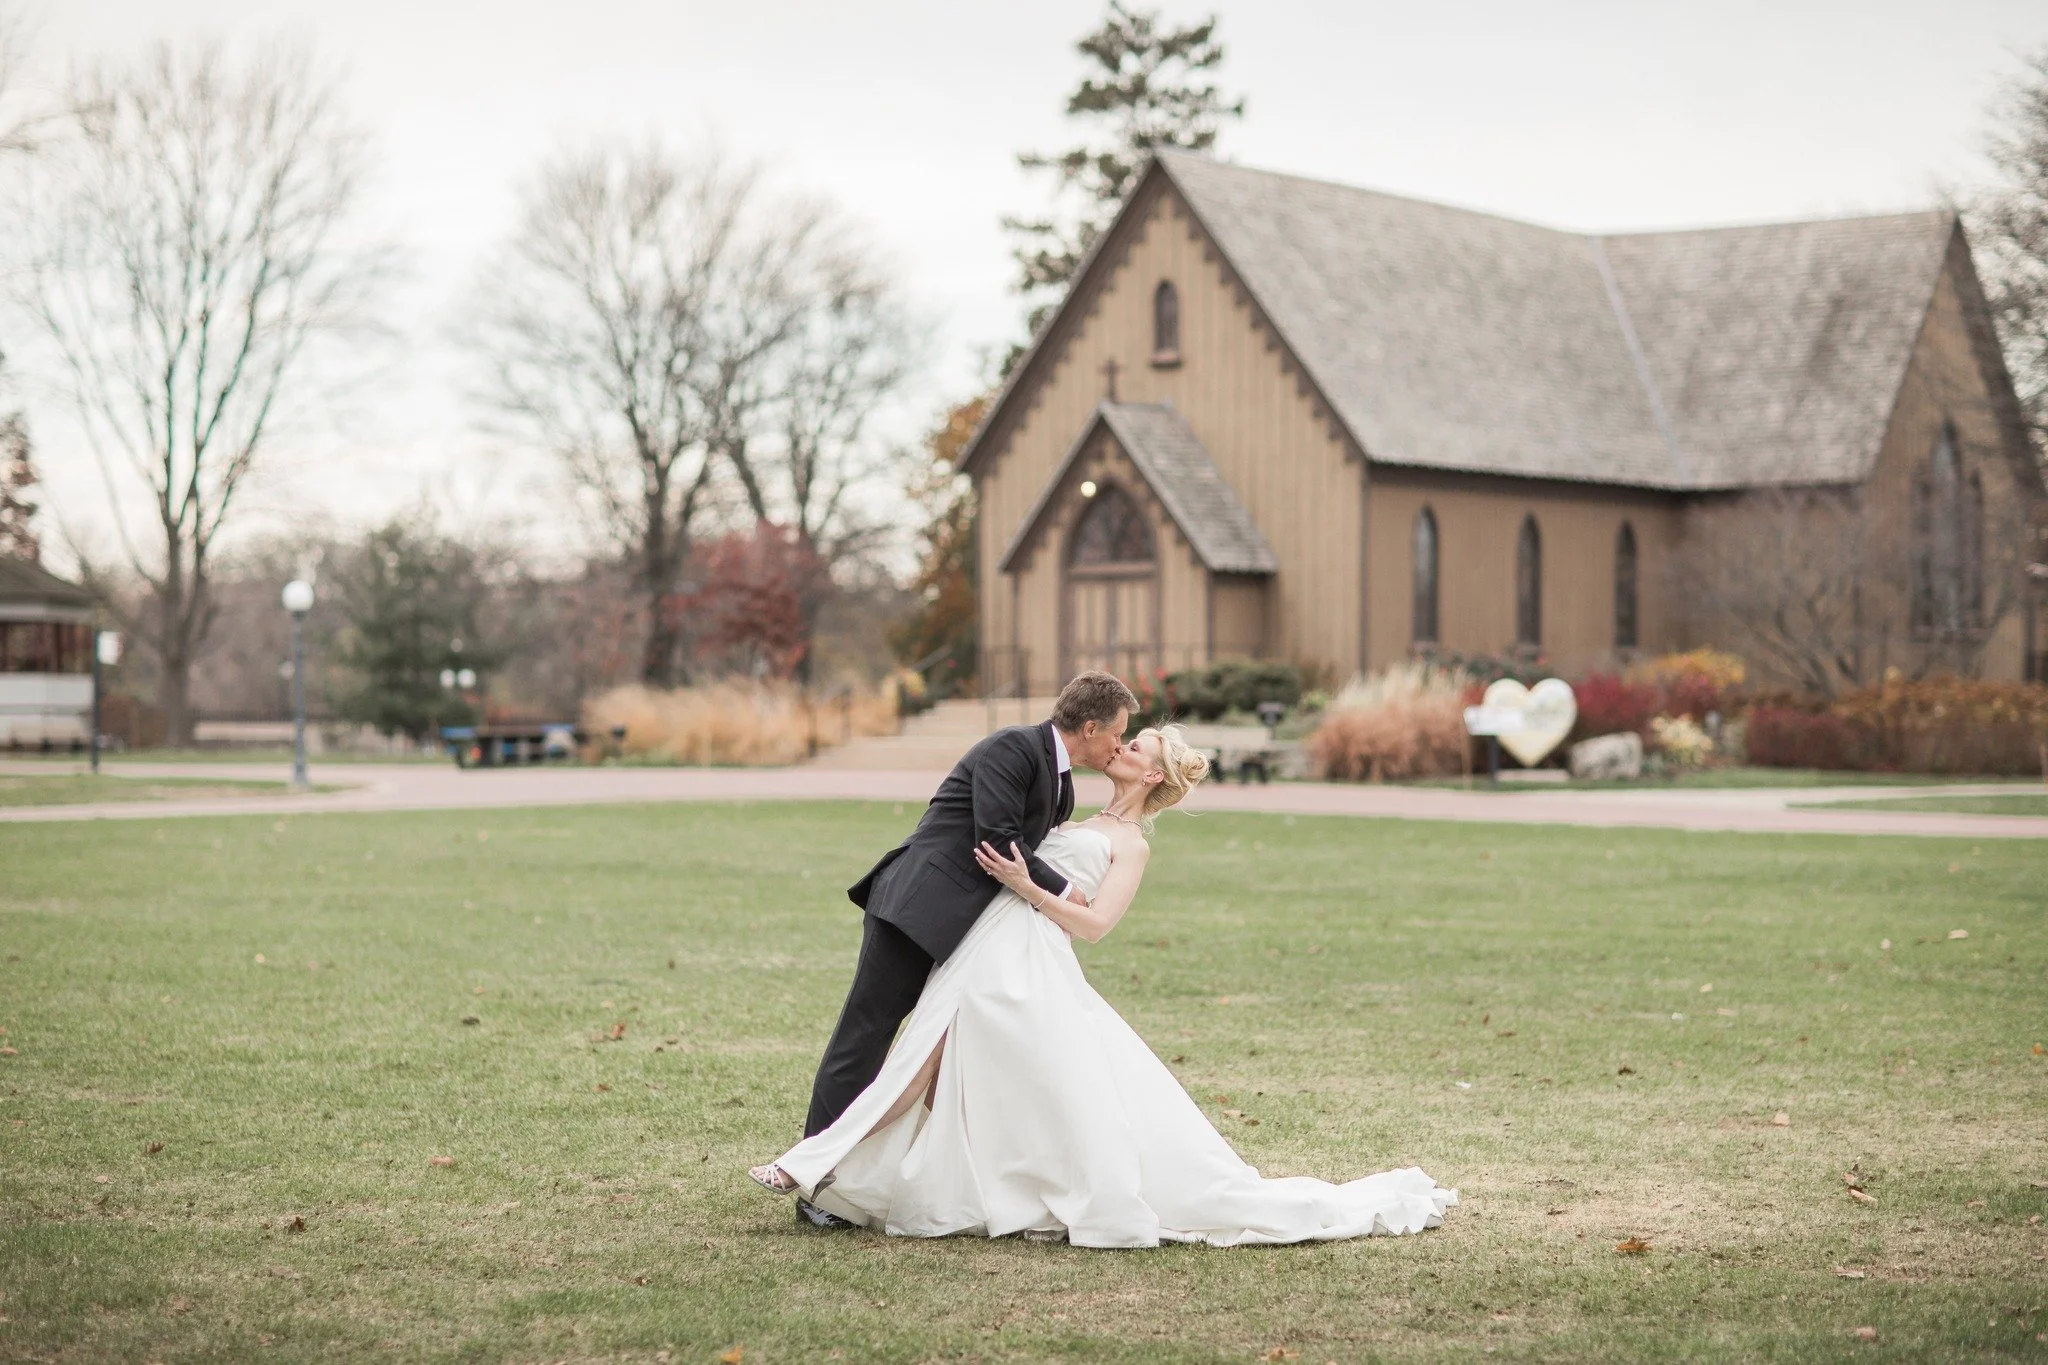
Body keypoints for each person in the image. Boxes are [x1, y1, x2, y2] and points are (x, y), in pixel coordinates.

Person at [750, 724, 1457, 1248]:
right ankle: (851, 1174)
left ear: (1152, 775)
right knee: (935, 1071)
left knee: (921, 1064)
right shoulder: (1068, 814)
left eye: (1137, 744)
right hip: (983, 950)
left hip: (1026, 962)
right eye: (1125, 736)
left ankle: (811, 1165)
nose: (1122, 745)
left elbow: (1094, 925)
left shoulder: (1131, 844)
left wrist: (1028, 884)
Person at [783, 670, 1137, 1228]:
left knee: (938, 1055)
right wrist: (1069, 892)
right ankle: (816, 1188)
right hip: (916, 909)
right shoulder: (1012, 748)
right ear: (1090, 727)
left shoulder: (1063, 784)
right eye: (1118, 733)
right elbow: (996, 840)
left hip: (968, 932)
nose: (1120, 745)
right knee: (864, 1038)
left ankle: (941, 1181)